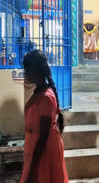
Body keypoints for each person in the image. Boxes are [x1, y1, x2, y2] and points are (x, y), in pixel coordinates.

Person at [21, 50, 68, 183]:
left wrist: (32, 169)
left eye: (28, 69)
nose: (26, 73)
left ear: (36, 71)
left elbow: (43, 137)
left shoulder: (46, 97)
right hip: (38, 149)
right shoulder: (39, 92)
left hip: (43, 153)